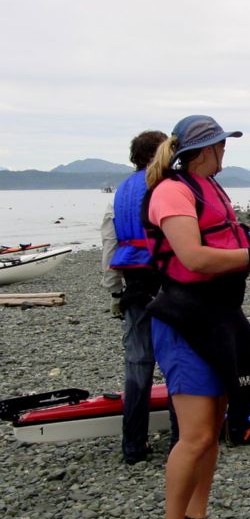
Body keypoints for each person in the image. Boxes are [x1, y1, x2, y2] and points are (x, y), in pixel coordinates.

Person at [144, 115, 250, 519]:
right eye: (221, 145)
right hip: (185, 319)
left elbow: (223, 242)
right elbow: (192, 257)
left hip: (221, 314)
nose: (226, 150)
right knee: (195, 435)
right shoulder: (172, 192)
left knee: (214, 428)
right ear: (203, 149)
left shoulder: (210, 187)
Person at [100, 129, 178, 464]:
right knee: (177, 362)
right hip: (172, 284)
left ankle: (133, 445)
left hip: (134, 287)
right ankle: (182, 439)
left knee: (137, 366)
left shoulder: (117, 197)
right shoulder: (172, 189)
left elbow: (110, 248)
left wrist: (115, 291)